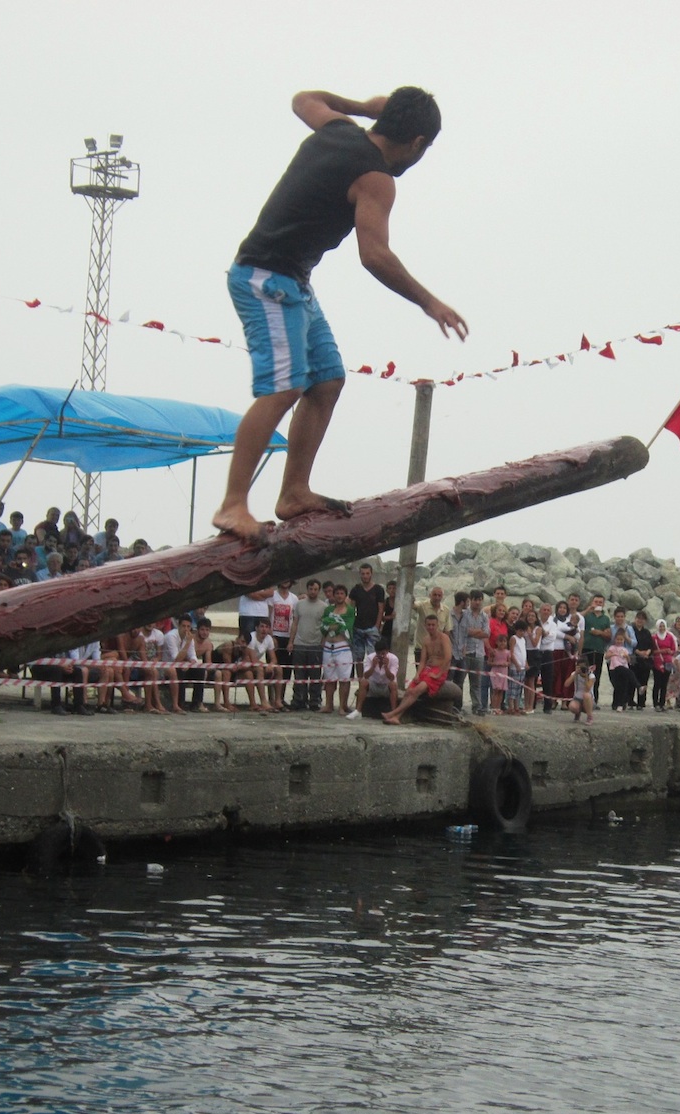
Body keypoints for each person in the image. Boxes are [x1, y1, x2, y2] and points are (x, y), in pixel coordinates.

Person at [213, 86, 467, 539]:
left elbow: (302, 98)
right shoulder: (375, 179)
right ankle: (233, 504)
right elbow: (374, 256)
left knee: (326, 380)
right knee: (285, 386)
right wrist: (430, 302)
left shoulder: (337, 128)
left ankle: (294, 491)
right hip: (264, 279)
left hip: (293, 280)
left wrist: (363, 108)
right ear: (417, 144)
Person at [384, 613, 453, 724]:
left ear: (438, 625)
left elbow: (448, 657)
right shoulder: (426, 640)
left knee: (416, 691)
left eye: (433, 625)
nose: (431, 627)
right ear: (425, 626)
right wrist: (417, 674)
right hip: (428, 669)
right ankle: (397, 717)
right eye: (429, 625)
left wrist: (438, 674)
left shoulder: (444, 638)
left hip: (439, 670)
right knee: (409, 691)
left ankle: (392, 713)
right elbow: (422, 661)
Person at [287, 579, 328, 710]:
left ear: (319, 590)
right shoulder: (299, 605)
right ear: (307, 589)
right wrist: (291, 642)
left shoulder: (324, 607)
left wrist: (323, 642)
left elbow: (325, 627)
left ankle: (314, 701)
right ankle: (298, 700)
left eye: (316, 589)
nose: (313, 592)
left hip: (315, 645)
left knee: (315, 675)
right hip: (300, 644)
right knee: (299, 674)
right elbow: (295, 623)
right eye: (311, 589)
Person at [320, 582, 357, 714]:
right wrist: (333, 625)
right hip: (328, 646)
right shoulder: (328, 610)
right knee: (329, 677)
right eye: (337, 593)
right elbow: (324, 624)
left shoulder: (350, 610)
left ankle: (342, 706)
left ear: (345, 596)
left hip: (343, 646)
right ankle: (328, 705)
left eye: (342, 593)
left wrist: (333, 625)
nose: (339, 596)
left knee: (344, 677)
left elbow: (346, 626)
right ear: (333, 595)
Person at [456, 590, 491, 715]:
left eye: (479, 599)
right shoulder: (464, 614)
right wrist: (477, 632)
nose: (477, 602)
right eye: (475, 599)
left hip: (479, 653)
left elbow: (486, 633)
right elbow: (463, 631)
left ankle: (477, 707)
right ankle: (457, 706)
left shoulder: (484, 616)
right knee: (460, 680)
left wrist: (472, 631)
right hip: (465, 651)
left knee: (476, 682)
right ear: (470, 600)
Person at [352, 638, 401, 719]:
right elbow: (366, 676)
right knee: (363, 681)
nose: (381, 656)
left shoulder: (393, 659)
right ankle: (358, 711)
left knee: (393, 684)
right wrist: (373, 666)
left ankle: (393, 712)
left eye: (383, 653)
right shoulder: (370, 658)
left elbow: (392, 678)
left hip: (386, 686)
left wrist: (386, 667)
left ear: (387, 651)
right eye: (378, 653)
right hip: (373, 685)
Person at [348, 563, 386, 664]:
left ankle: (372, 679)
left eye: (367, 573)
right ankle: (361, 679)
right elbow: (351, 607)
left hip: (372, 628)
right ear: (360, 574)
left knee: (373, 657)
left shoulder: (378, 589)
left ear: (371, 574)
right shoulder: (356, 589)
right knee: (358, 657)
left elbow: (381, 609)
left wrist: (377, 626)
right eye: (363, 573)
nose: (365, 576)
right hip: (358, 627)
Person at [604, 626, 636, 712]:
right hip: (615, 668)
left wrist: (627, 656)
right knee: (618, 686)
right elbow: (606, 657)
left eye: (621, 640)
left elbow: (629, 661)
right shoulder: (612, 648)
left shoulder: (625, 649)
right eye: (617, 639)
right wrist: (612, 654)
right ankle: (616, 703)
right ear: (615, 640)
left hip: (624, 667)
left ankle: (622, 704)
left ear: (623, 640)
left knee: (624, 685)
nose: (619, 641)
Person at [650, 617, 677, 711]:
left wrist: (670, 652)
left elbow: (674, 649)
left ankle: (662, 703)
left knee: (664, 684)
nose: (661, 628)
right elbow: (652, 651)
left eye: (663, 626)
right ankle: (655, 703)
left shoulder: (670, 637)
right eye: (660, 626)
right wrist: (663, 650)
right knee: (657, 683)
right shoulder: (654, 638)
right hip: (657, 662)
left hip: (668, 662)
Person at [568, 661, 596, 725]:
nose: (582, 670)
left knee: (586, 695)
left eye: (583, 668)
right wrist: (575, 673)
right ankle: (577, 714)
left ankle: (589, 717)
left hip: (589, 700)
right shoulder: (575, 674)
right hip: (577, 698)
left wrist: (586, 677)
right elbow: (566, 684)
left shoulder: (591, 676)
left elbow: (587, 689)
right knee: (572, 707)